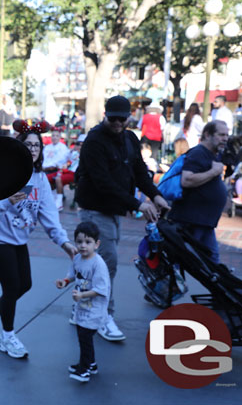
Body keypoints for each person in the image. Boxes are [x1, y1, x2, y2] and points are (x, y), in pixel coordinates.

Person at [0, 119, 77, 359]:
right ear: (19, 147)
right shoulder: (2, 173)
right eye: (28, 145)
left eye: (36, 146)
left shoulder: (40, 179)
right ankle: (8, 335)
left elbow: (49, 215)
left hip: (17, 239)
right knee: (12, 286)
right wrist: (6, 201)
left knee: (24, 284)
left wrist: (65, 243)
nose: (33, 150)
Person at [75, 95, 169, 342]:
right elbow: (102, 182)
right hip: (96, 208)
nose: (117, 123)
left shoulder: (129, 138)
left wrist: (155, 195)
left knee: (97, 264)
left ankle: (84, 308)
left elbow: (139, 172)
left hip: (114, 209)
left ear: (129, 117)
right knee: (107, 264)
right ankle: (103, 315)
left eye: (122, 118)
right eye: (113, 118)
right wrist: (138, 203)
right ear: (105, 115)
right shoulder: (94, 141)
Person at [55, 221, 109, 383]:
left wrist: (82, 296)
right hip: (82, 308)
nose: (83, 246)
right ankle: (90, 364)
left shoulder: (98, 264)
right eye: (79, 242)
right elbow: (73, 274)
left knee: (85, 338)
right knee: (83, 337)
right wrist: (65, 281)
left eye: (88, 242)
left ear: (96, 244)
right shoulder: (78, 258)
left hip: (94, 309)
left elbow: (101, 289)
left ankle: (84, 369)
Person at [168, 121, 228, 263]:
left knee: (212, 264)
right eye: (221, 135)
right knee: (180, 260)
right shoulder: (198, 153)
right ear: (207, 135)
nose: (225, 138)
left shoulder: (213, 154)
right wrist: (214, 172)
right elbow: (187, 180)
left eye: (227, 135)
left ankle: (219, 283)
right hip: (191, 220)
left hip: (204, 221)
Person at [42, 127, 71, 210]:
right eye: (53, 135)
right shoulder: (47, 147)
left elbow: (61, 161)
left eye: (57, 136)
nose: (54, 137)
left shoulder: (63, 148)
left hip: (55, 169)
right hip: (45, 168)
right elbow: (44, 159)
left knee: (51, 178)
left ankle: (56, 199)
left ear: (59, 137)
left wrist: (48, 167)